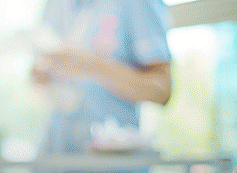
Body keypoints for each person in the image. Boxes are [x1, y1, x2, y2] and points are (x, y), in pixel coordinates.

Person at [31, 0, 172, 154]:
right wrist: (40, 73)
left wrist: (90, 65)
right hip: (51, 160)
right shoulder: (54, 5)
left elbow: (161, 89)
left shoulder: (137, 3)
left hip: (111, 168)